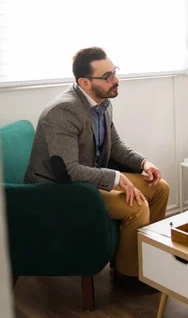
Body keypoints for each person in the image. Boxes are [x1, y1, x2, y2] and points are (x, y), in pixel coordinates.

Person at [24, 47, 169, 290]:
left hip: (87, 180)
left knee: (160, 188)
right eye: (107, 76)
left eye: (115, 72)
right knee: (136, 205)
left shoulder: (103, 102)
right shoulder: (63, 111)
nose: (116, 80)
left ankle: (143, 261)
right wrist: (116, 178)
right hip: (59, 191)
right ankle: (128, 276)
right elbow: (67, 172)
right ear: (84, 82)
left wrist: (145, 163)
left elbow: (117, 145)